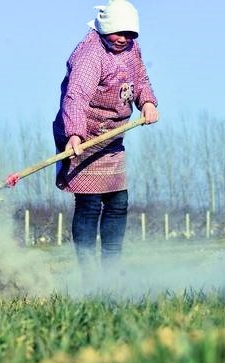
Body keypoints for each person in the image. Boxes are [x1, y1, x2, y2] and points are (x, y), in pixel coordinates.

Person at [52, 0, 158, 285]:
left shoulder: (131, 49)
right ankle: (89, 275)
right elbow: (75, 97)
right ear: (105, 28)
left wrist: (146, 102)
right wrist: (74, 133)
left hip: (112, 137)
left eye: (130, 33)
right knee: (89, 205)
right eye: (118, 32)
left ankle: (112, 271)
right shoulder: (90, 55)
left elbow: (141, 79)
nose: (123, 38)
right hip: (83, 137)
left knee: (118, 201)